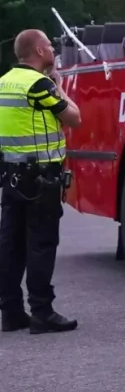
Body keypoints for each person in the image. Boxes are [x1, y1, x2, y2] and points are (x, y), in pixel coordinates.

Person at [0, 29, 82, 334]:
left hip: (11, 176)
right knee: (41, 245)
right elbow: (74, 117)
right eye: (49, 46)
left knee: (11, 245)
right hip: (40, 180)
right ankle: (42, 312)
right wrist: (58, 85)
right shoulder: (38, 85)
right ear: (37, 51)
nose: (53, 50)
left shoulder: (4, 82)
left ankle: (10, 311)